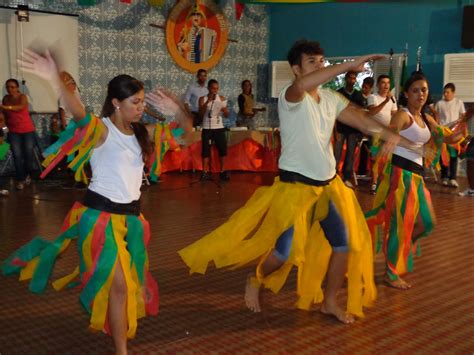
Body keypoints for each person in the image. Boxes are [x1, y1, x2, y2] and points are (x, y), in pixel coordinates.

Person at [179, 40, 414, 324]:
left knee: (344, 245)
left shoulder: (330, 99)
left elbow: (364, 122)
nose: (320, 66)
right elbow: (305, 86)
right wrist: (350, 65)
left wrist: (394, 136)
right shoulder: (291, 95)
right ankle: (256, 278)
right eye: (312, 62)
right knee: (283, 252)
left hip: (328, 188)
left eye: (322, 61)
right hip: (295, 189)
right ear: (296, 69)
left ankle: (329, 302)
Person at [1, 49, 191, 354]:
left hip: (131, 222)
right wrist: (53, 77)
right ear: (116, 103)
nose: (141, 107)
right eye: (136, 102)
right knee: (119, 286)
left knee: (123, 287)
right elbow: (77, 111)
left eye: (143, 101)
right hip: (100, 220)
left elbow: (188, 135)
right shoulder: (101, 129)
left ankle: (118, 344)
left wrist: (178, 108)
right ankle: (121, 351)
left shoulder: (144, 132)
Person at [365, 73, 466, 290]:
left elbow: (448, 138)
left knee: (426, 223)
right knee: (400, 225)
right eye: (416, 90)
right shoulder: (403, 115)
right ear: (406, 94)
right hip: (400, 176)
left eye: (424, 90)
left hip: (417, 178)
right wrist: (391, 137)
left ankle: (395, 252)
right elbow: (391, 130)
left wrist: (463, 128)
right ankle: (390, 274)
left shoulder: (427, 119)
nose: (421, 94)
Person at [0, 78, 36, 190]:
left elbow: (20, 107)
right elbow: (2, 118)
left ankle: (28, 175)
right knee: (17, 155)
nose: (10, 89)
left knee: (28, 153)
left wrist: (6, 107)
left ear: (17, 88)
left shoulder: (22, 97)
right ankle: (20, 179)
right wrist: (5, 130)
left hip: (27, 130)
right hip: (13, 132)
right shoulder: (5, 99)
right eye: (8, 87)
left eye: (12, 87)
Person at [367, 75, 398, 194]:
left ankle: (383, 184)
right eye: (383, 83)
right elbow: (372, 112)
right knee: (376, 159)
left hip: (387, 134)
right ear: (378, 85)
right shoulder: (372, 97)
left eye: (388, 83)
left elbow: (394, 115)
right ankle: (374, 184)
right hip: (375, 133)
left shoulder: (392, 99)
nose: (386, 85)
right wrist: (385, 101)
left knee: (386, 160)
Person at [334, 71, 365, 188]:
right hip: (340, 128)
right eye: (350, 78)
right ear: (345, 79)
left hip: (353, 130)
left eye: (354, 78)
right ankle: (335, 177)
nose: (352, 80)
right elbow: (334, 113)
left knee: (350, 155)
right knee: (336, 154)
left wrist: (360, 130)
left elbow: (362, 113)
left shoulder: (358, 95)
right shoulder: (339, 93)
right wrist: (335, 130)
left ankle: (346, 178)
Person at [434, 83, 466, 188]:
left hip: (454, 133)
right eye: (444, 92)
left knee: (453, 156)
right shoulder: (439, 103)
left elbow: (463, 116)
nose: (445, 94)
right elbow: (436, 117)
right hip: (443, 132)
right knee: (443, 156)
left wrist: (460, 128)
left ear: (453, 92)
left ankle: (452, 178)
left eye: (448, 92)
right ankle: (444, 177)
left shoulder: (459, 102)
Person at [199, 79, 230, 181]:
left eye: (216, 88)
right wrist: (208, 101)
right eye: (213, 88)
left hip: (218, 127)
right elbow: (201, 113)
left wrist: (225, 111)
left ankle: (222, 171)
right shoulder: (202, 99)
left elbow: (226, 115)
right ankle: (205, 172)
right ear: (208, 88)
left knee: (222, 149)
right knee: (205, 150)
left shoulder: (221, 98)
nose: (215, 90)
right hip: (207, 127)